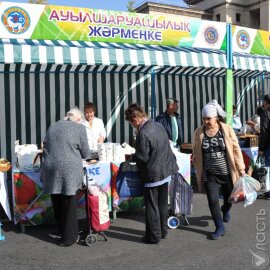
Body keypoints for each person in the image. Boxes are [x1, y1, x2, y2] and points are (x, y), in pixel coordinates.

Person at [125, 103, 179, 244]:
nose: (132, 126)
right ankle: (163, 231)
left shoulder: (143, 133)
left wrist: (132, 156)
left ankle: (153, 236)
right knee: (161, 204)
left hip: (153, 174)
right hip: (165, 171)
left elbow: (143, 157)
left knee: (151, 206)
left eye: (131, 123)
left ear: (135, 120)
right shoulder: (158, 125)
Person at [192, 100, 245, 240]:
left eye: (208, 118)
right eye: (204, 118)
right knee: (213, 200)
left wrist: (241, 169)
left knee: (229, 199)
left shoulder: (226, 129)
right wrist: (194, 159)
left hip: (227, 173)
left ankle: (226, 210)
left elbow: (235, 149)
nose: (206, 121)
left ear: (216, 117)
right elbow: (196, 150)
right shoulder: (199, 132)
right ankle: (219, 226)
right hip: (210, 174)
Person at [42, 107, 91, 246]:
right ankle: (69, 238)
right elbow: (86, 153)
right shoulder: (79, 128)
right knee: (69, 201)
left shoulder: (53, 126)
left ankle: (61, 229)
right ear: (77, 119)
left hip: (50, 167)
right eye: (80, 121)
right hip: (68, 168)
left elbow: (45, 145)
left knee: (56, 198)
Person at [259, 94, 270, 199]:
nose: (263, 104)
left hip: (268, 146)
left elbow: (264, 131)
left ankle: (268, 192)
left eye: (264, 102)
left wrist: (261, 148)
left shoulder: (266, 114)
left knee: (268, 168)